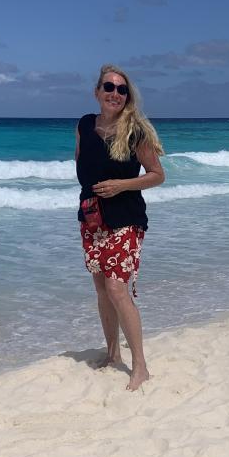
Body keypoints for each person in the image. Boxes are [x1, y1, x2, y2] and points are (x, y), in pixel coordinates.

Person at [75, 64, 165, 391]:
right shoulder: (85, 125)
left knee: (116, 289)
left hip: (126, 218)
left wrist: (121, 185)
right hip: (93, 218)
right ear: (97, 92)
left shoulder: (135, 131)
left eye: (121, 89)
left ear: (128, 97)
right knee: (101, 289)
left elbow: (157, 174)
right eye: (109, 87)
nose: (115, 93)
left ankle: (139, 365)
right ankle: (112, 353)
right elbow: (81, 166)